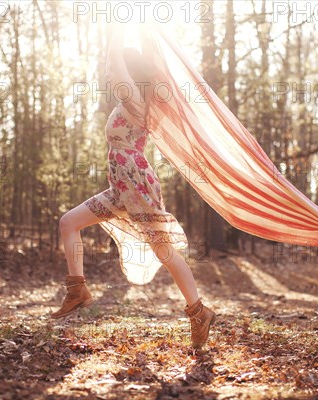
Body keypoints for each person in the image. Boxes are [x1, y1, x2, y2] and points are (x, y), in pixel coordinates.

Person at [51, 21, 216, 350]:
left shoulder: (136, 102)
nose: (112, 78)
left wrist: (115, 29)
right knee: (69, 222)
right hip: (121, 186)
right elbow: (115, 68)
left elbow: (114, 64)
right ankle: (77, 289)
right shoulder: (126, 102)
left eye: (120, 73)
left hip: (137, 184)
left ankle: (199, 312)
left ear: (131, 75)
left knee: (162, 249)